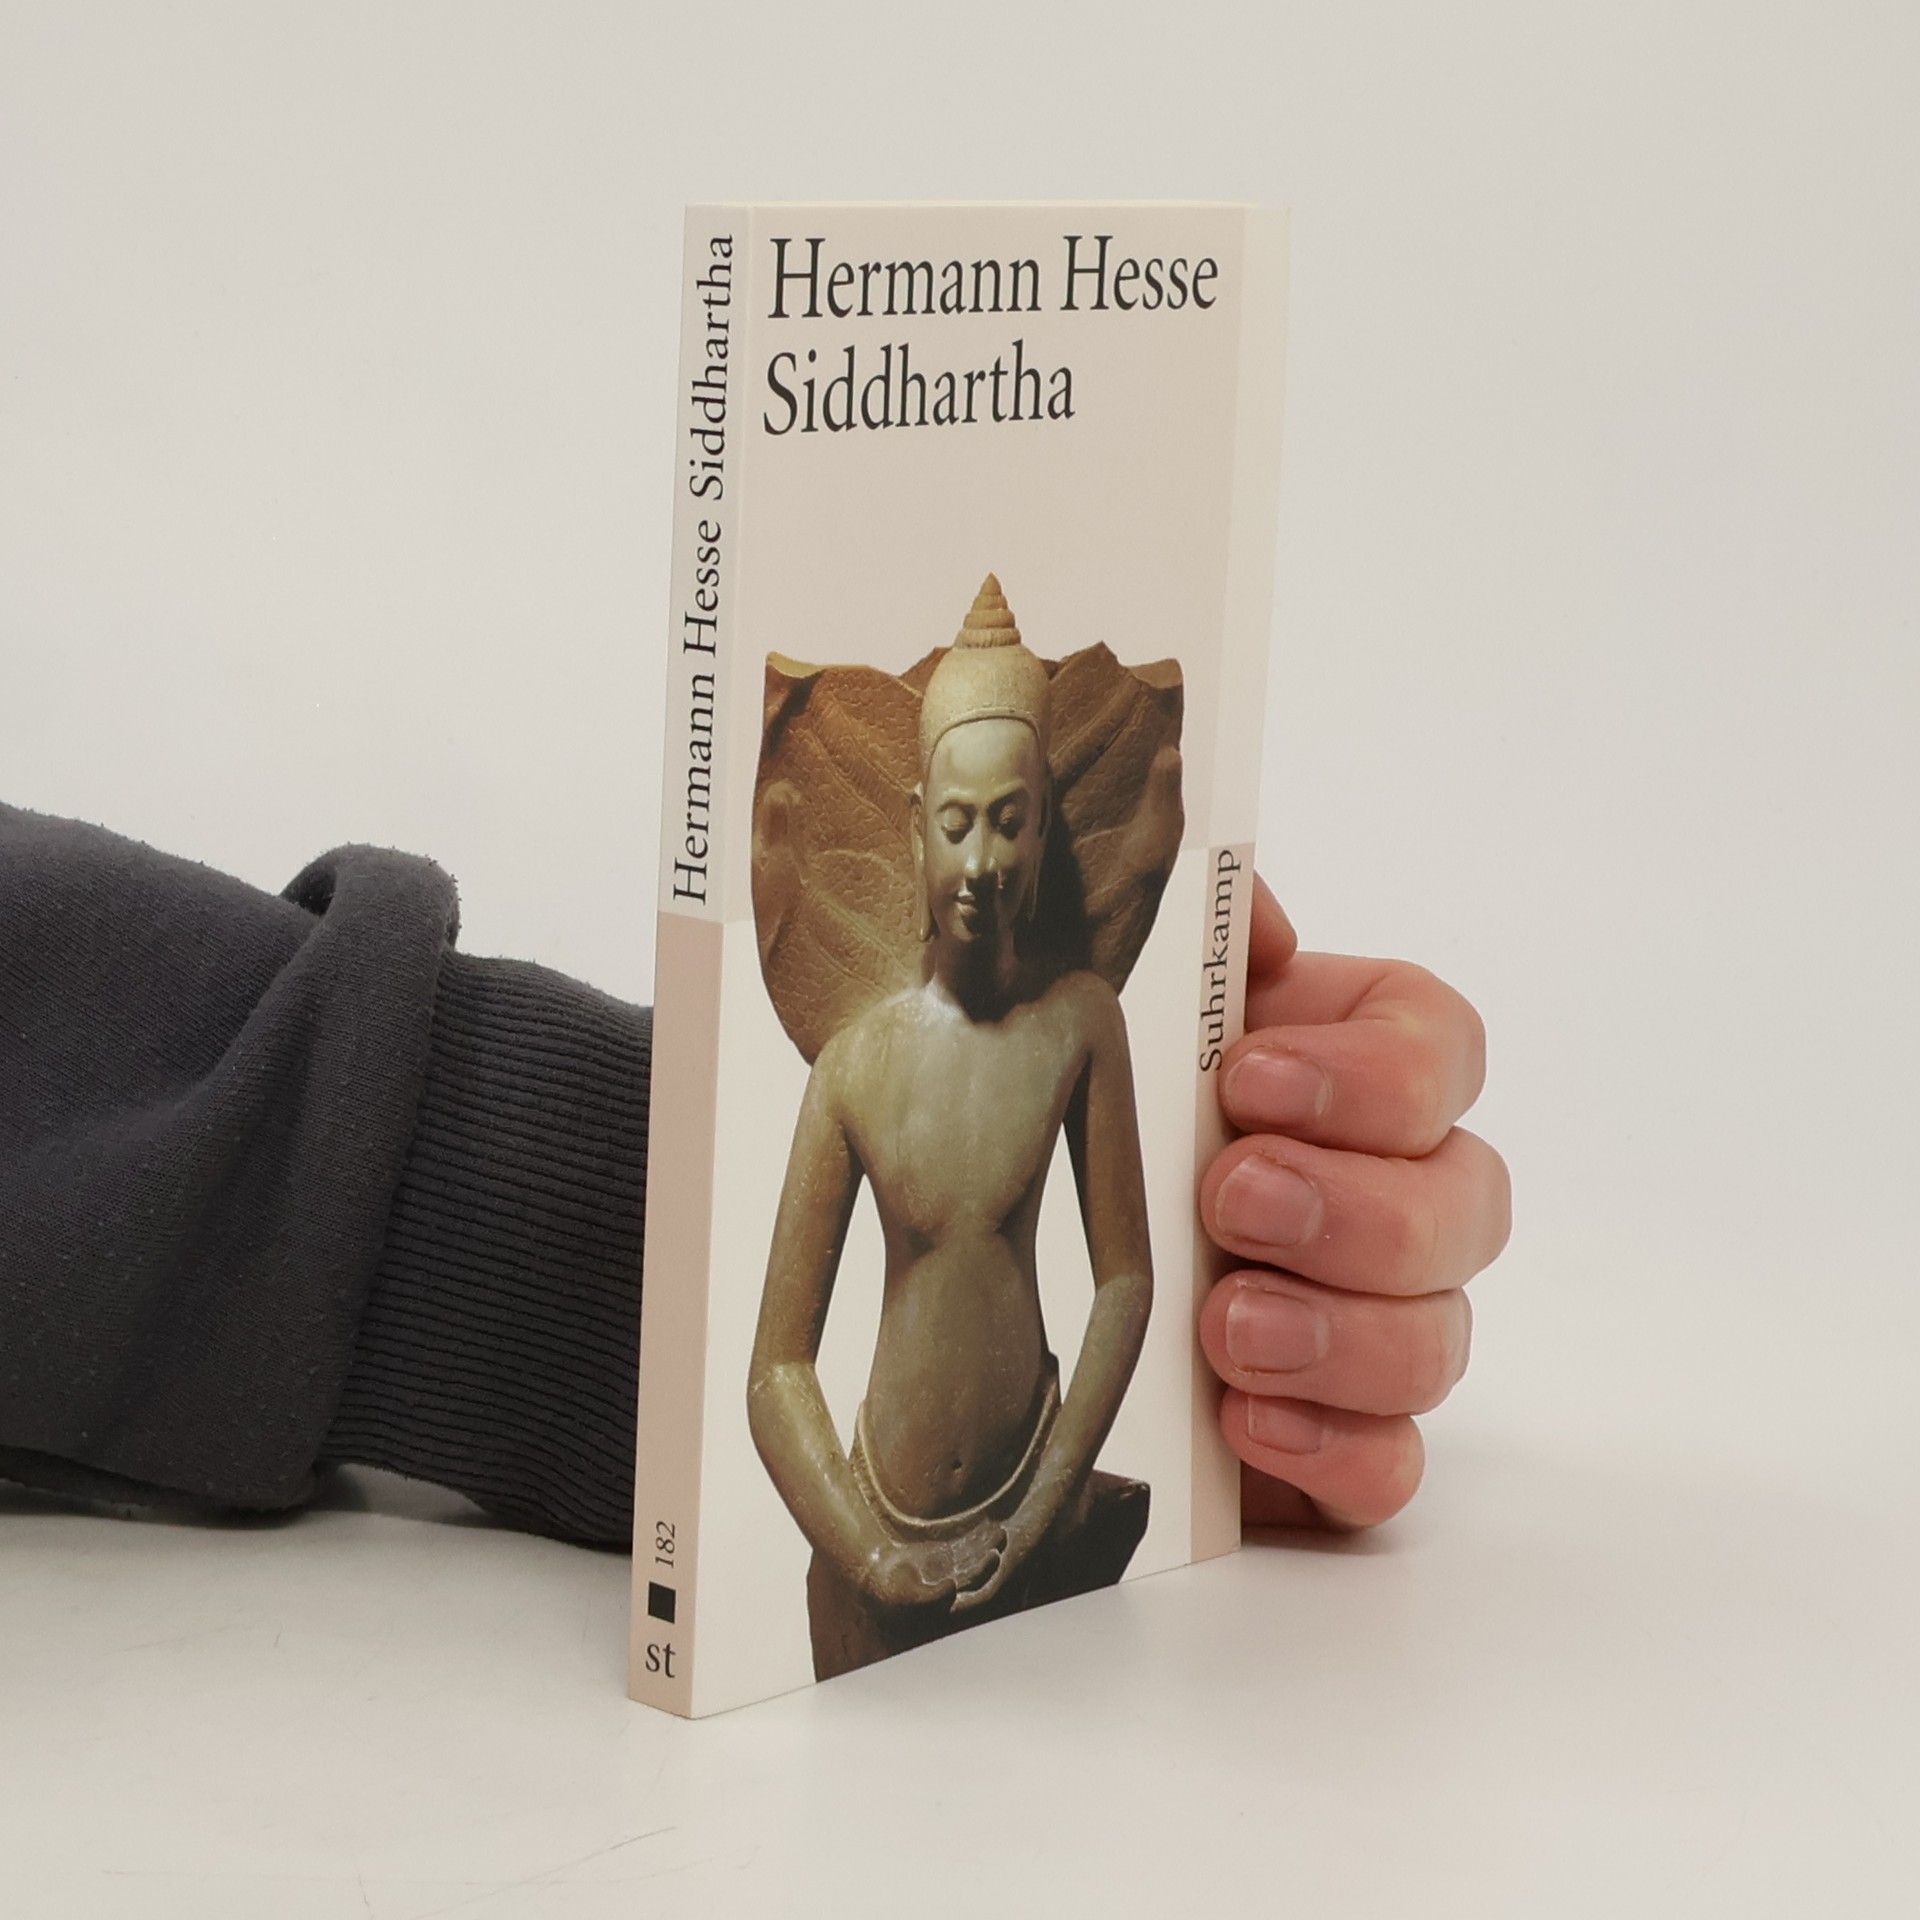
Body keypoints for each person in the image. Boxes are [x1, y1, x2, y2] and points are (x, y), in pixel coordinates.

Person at [0, 797, 1509, 1548]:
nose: (985, 861)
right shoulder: (858, 1070)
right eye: (956, 822)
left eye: (1013, 823)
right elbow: (779, 1356)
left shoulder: (1084, 1031)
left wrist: (1094, 1459)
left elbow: (1123, 1279)